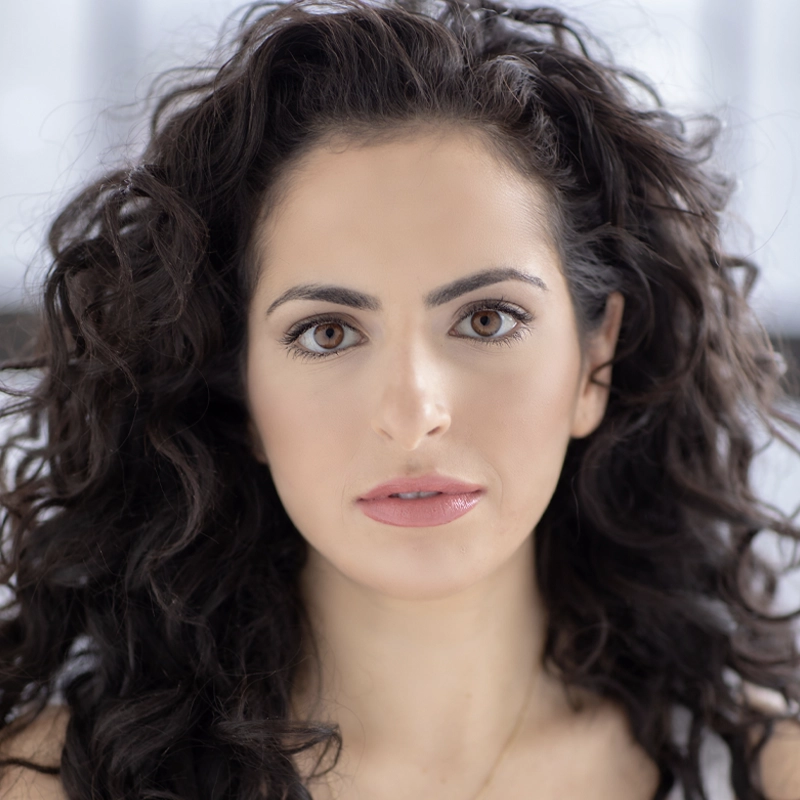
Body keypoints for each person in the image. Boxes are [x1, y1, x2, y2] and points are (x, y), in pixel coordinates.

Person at [0, 0, 798, 797]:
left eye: (487, 320)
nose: (414, 413)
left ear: (596, 361)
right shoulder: (50, 783)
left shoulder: (773, 775)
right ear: (239, 387)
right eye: (327, 333)